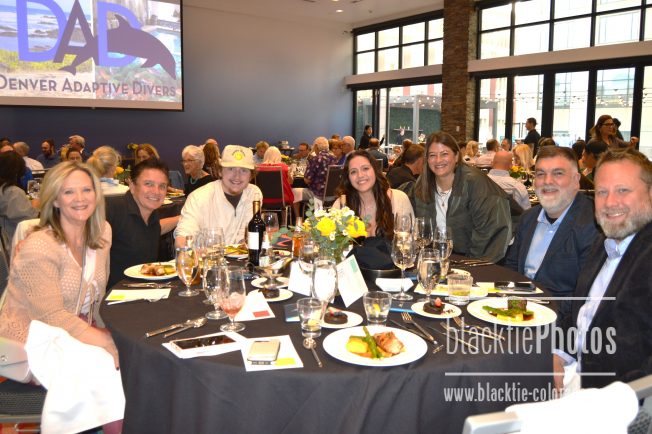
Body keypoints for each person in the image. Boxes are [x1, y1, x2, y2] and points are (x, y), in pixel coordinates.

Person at [0, 161, 122, 432]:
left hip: (74, 328)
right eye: (68, 192)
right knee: (106, 365)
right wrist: (106, 341)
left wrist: (110, 335)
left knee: (130, 353)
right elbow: (51, 316)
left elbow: (96, 296)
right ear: (55, 200)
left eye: (86, 190)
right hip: (30, 338)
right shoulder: (40, 246)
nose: (80, 198)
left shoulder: (102, 232)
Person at [554, 148, 652, 390]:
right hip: (573, 374)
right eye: (602, 192)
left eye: (623, 190)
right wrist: (558, 354)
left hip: (616, 397)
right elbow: (581, 315)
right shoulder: (604, 242)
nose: (610, 203)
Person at [504, 146, 599, 320]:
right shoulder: (528, 218)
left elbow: (586, 295)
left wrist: (534, 314)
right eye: (540, 174)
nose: (547, 181)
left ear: (576, 180)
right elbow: (512, 267)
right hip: (518, 314)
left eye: (558, 173)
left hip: (561, 323)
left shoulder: (594, 225)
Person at [403, 132, 511, 263]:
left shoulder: (475, 184)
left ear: (456, 156)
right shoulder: (422, 184)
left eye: (444, 154)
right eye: (432, 155)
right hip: (436, 261)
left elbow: (489, 236)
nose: (438, 160)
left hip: (475, 262)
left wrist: (468, 266)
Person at [105, 158, 178, 288]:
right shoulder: (111, 210)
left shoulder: (151, 214)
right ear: (132, 186)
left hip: (143, 289)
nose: (156, 191)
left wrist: (183, 217)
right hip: (115, 294)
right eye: (148, 184)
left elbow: (154, 228)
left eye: (162, 186)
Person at [174, 145, 262, 246]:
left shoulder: (253, 194)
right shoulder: (198, 197)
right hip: (205, 255)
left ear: (251, 175)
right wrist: (187, 250)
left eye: (244, 170)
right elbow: (183, 236)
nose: (237, 176)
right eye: (231, 169)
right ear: (220, 171)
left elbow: (246, 235)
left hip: (240, 255)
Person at [333, 150, 413, 238]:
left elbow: (409, 240)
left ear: (375, 170)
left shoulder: (399, 199)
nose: (360, 175)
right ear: (348, 178)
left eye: (365, 168)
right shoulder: (341, 205)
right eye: (353, 172)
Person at [0, 152, 39, 248]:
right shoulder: (12, 192)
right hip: (13, 243)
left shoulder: (5, 189)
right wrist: (36, 204)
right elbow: (29, 220)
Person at [257, 146, 296, 214]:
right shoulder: (284, 167)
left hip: (262, 199)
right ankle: (284, 219)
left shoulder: (258, 168)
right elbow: (290, 182)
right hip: (281, 199)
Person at [304, 136, 336, 205]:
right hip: (332, 195)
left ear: (316, 146)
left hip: (317, 194)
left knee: (295, 191)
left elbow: (307, 180)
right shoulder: (335, 158)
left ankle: (298, 213)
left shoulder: (315, 159)